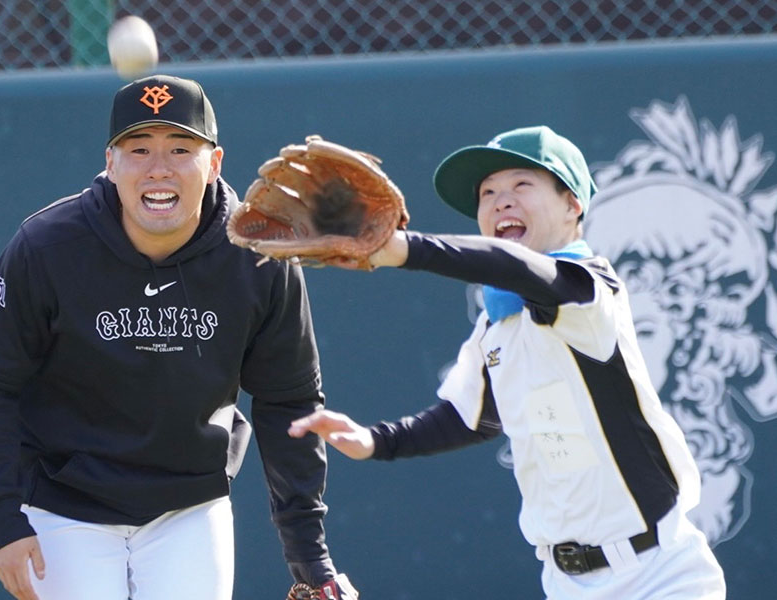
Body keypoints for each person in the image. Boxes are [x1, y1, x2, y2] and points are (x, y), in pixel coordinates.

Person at [0, 74, 354, 600]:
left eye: (181, 148)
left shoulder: (260, 254)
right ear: (111, 164)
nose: (159, 168)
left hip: (189, 505)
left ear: (215, 163)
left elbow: (289, 402)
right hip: (63, 502)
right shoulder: (47, 247)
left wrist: (309, 557)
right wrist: (3, 519)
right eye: (138, 149)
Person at [289, 126, 727, 599]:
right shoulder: (497, 324)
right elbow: (469, 416)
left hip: (660, 574)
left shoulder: (589, 290)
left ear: (572, 204)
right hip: (566, 581)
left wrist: (402, 248)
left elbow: (512, 266)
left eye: (522, 185)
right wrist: (376, 441)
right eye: (488, 193)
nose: (501, 201)